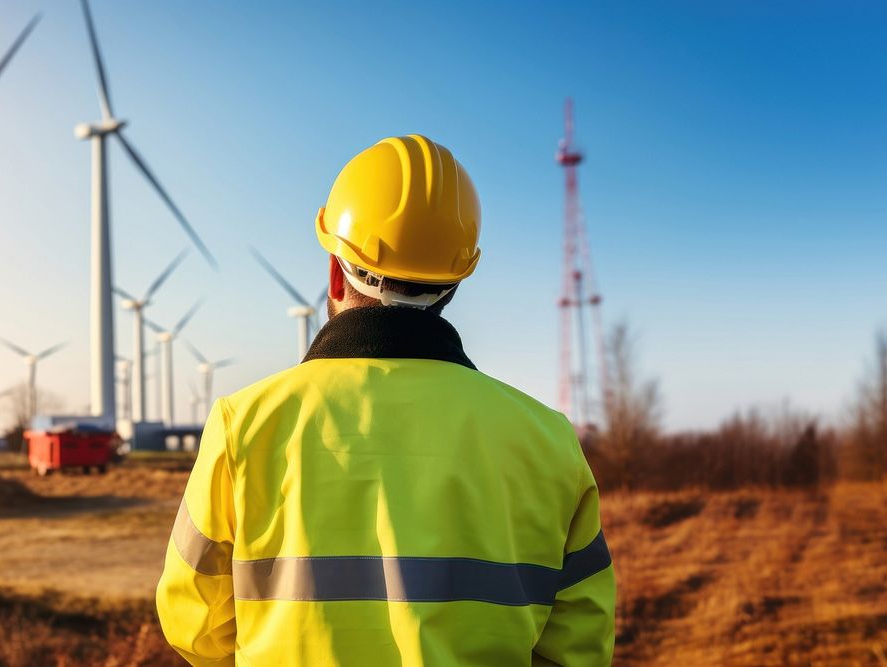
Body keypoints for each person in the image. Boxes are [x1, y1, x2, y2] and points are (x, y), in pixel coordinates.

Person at [156, 134, 616, 666]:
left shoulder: (244, 425)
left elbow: (192, 626)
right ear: (455, 282)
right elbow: (580, 645)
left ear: (335, 271)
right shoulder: (548, 440)